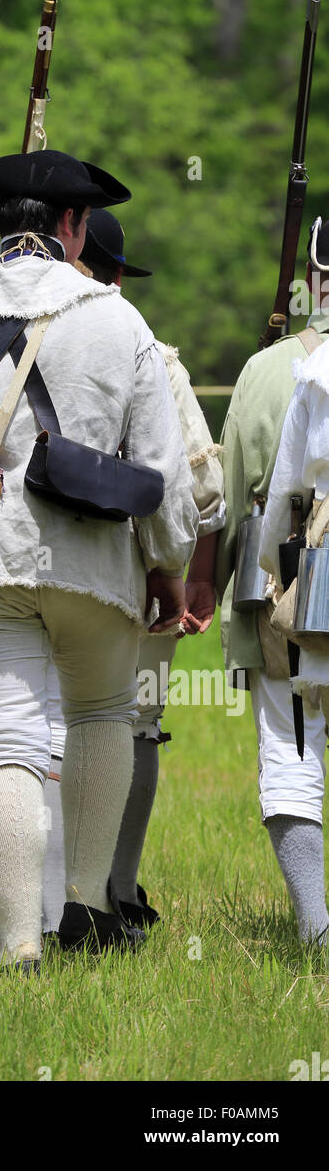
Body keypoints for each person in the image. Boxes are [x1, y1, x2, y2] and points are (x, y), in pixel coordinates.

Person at [0, 149, 198, 966]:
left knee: (4, 741)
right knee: (100, 718)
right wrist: (168, 566)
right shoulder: (120, 320)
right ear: (73, 226)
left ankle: (20, 943)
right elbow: (163, 476)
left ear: (1, 224)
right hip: (94, 566)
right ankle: (87, 906)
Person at [39, 209, 225, 934]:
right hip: (131, 569)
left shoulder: (16, 332)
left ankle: (39, 904)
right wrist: (188, 571)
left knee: (32, 732)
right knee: (133, 724)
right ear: (115, 273)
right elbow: (202, 488)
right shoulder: (150, 349)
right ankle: (113, 891)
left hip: (18, 567)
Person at [215, 216, 329, 943]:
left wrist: (253, 580)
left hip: (306, 576)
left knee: (294, 749)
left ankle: (317, 929)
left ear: (316, 277)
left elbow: (260, 495)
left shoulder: (284, 373)